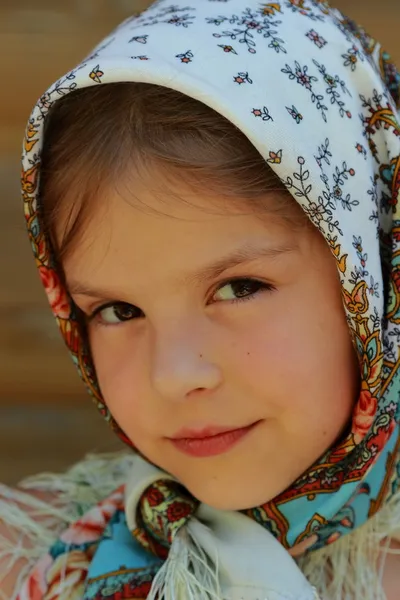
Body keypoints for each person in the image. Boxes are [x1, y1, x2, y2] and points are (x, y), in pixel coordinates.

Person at [1, 0, 400, 598]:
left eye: (239, 288)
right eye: (117, 311)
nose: (173, 375)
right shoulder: (31, 562)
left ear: (370, 278)